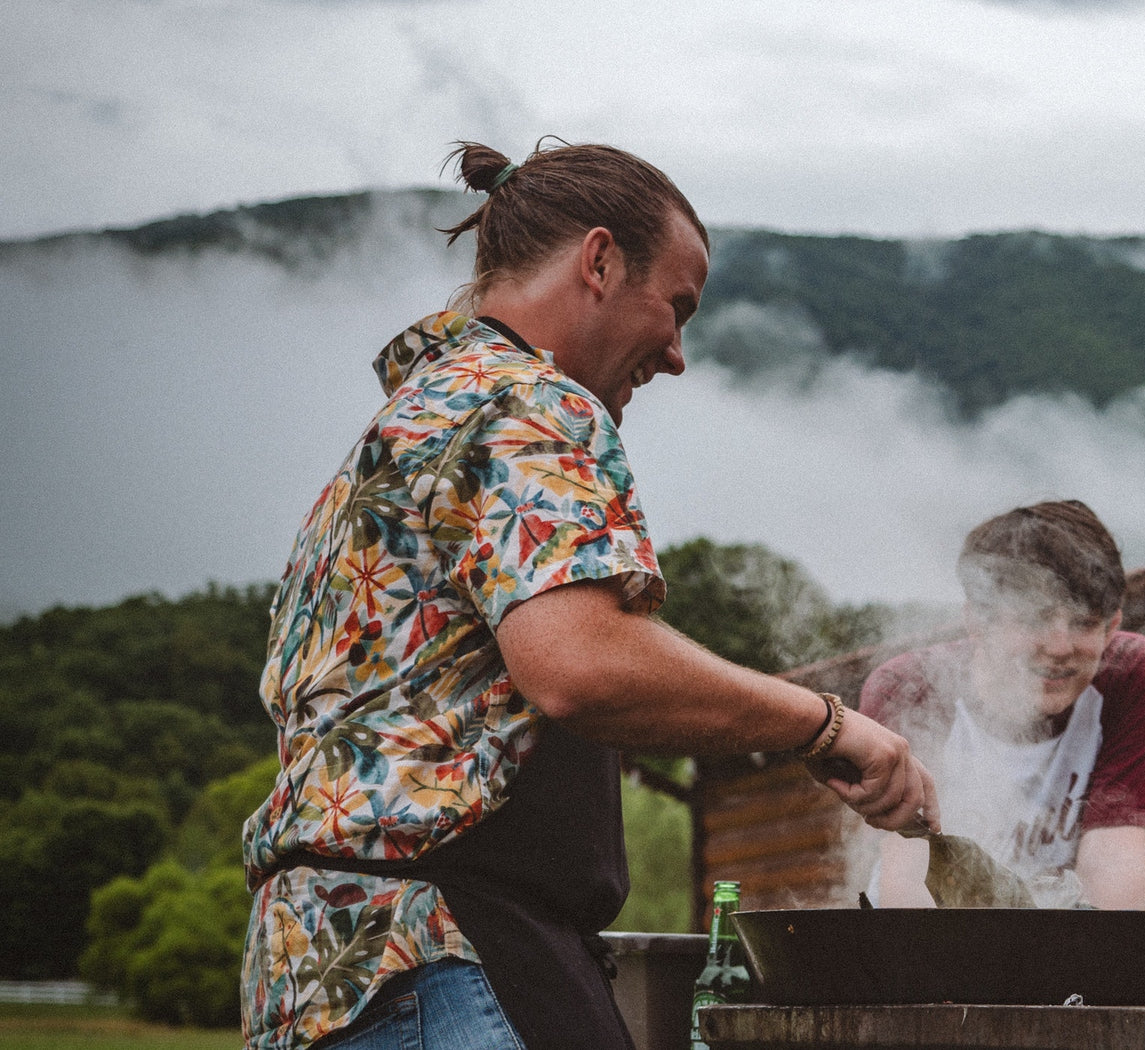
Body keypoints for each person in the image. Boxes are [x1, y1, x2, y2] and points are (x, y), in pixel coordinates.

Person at [240, 139, 938, 1050]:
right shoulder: (528, 400)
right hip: (439, 954)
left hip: (324, 974)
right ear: (600, 261)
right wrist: (827, 725)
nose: (679, 356)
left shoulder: (413, 418)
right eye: (676, 308)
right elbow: (580, 664)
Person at [859, 500, 1145, 911]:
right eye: (1035, 619)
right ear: (978, 621)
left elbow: (1114, 891)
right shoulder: (909, 690)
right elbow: (911, 891)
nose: (1060, 647)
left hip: (1066, 947)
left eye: (1084, 623)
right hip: (934, 941)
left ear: (1112, 625)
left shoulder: (1132, 676)